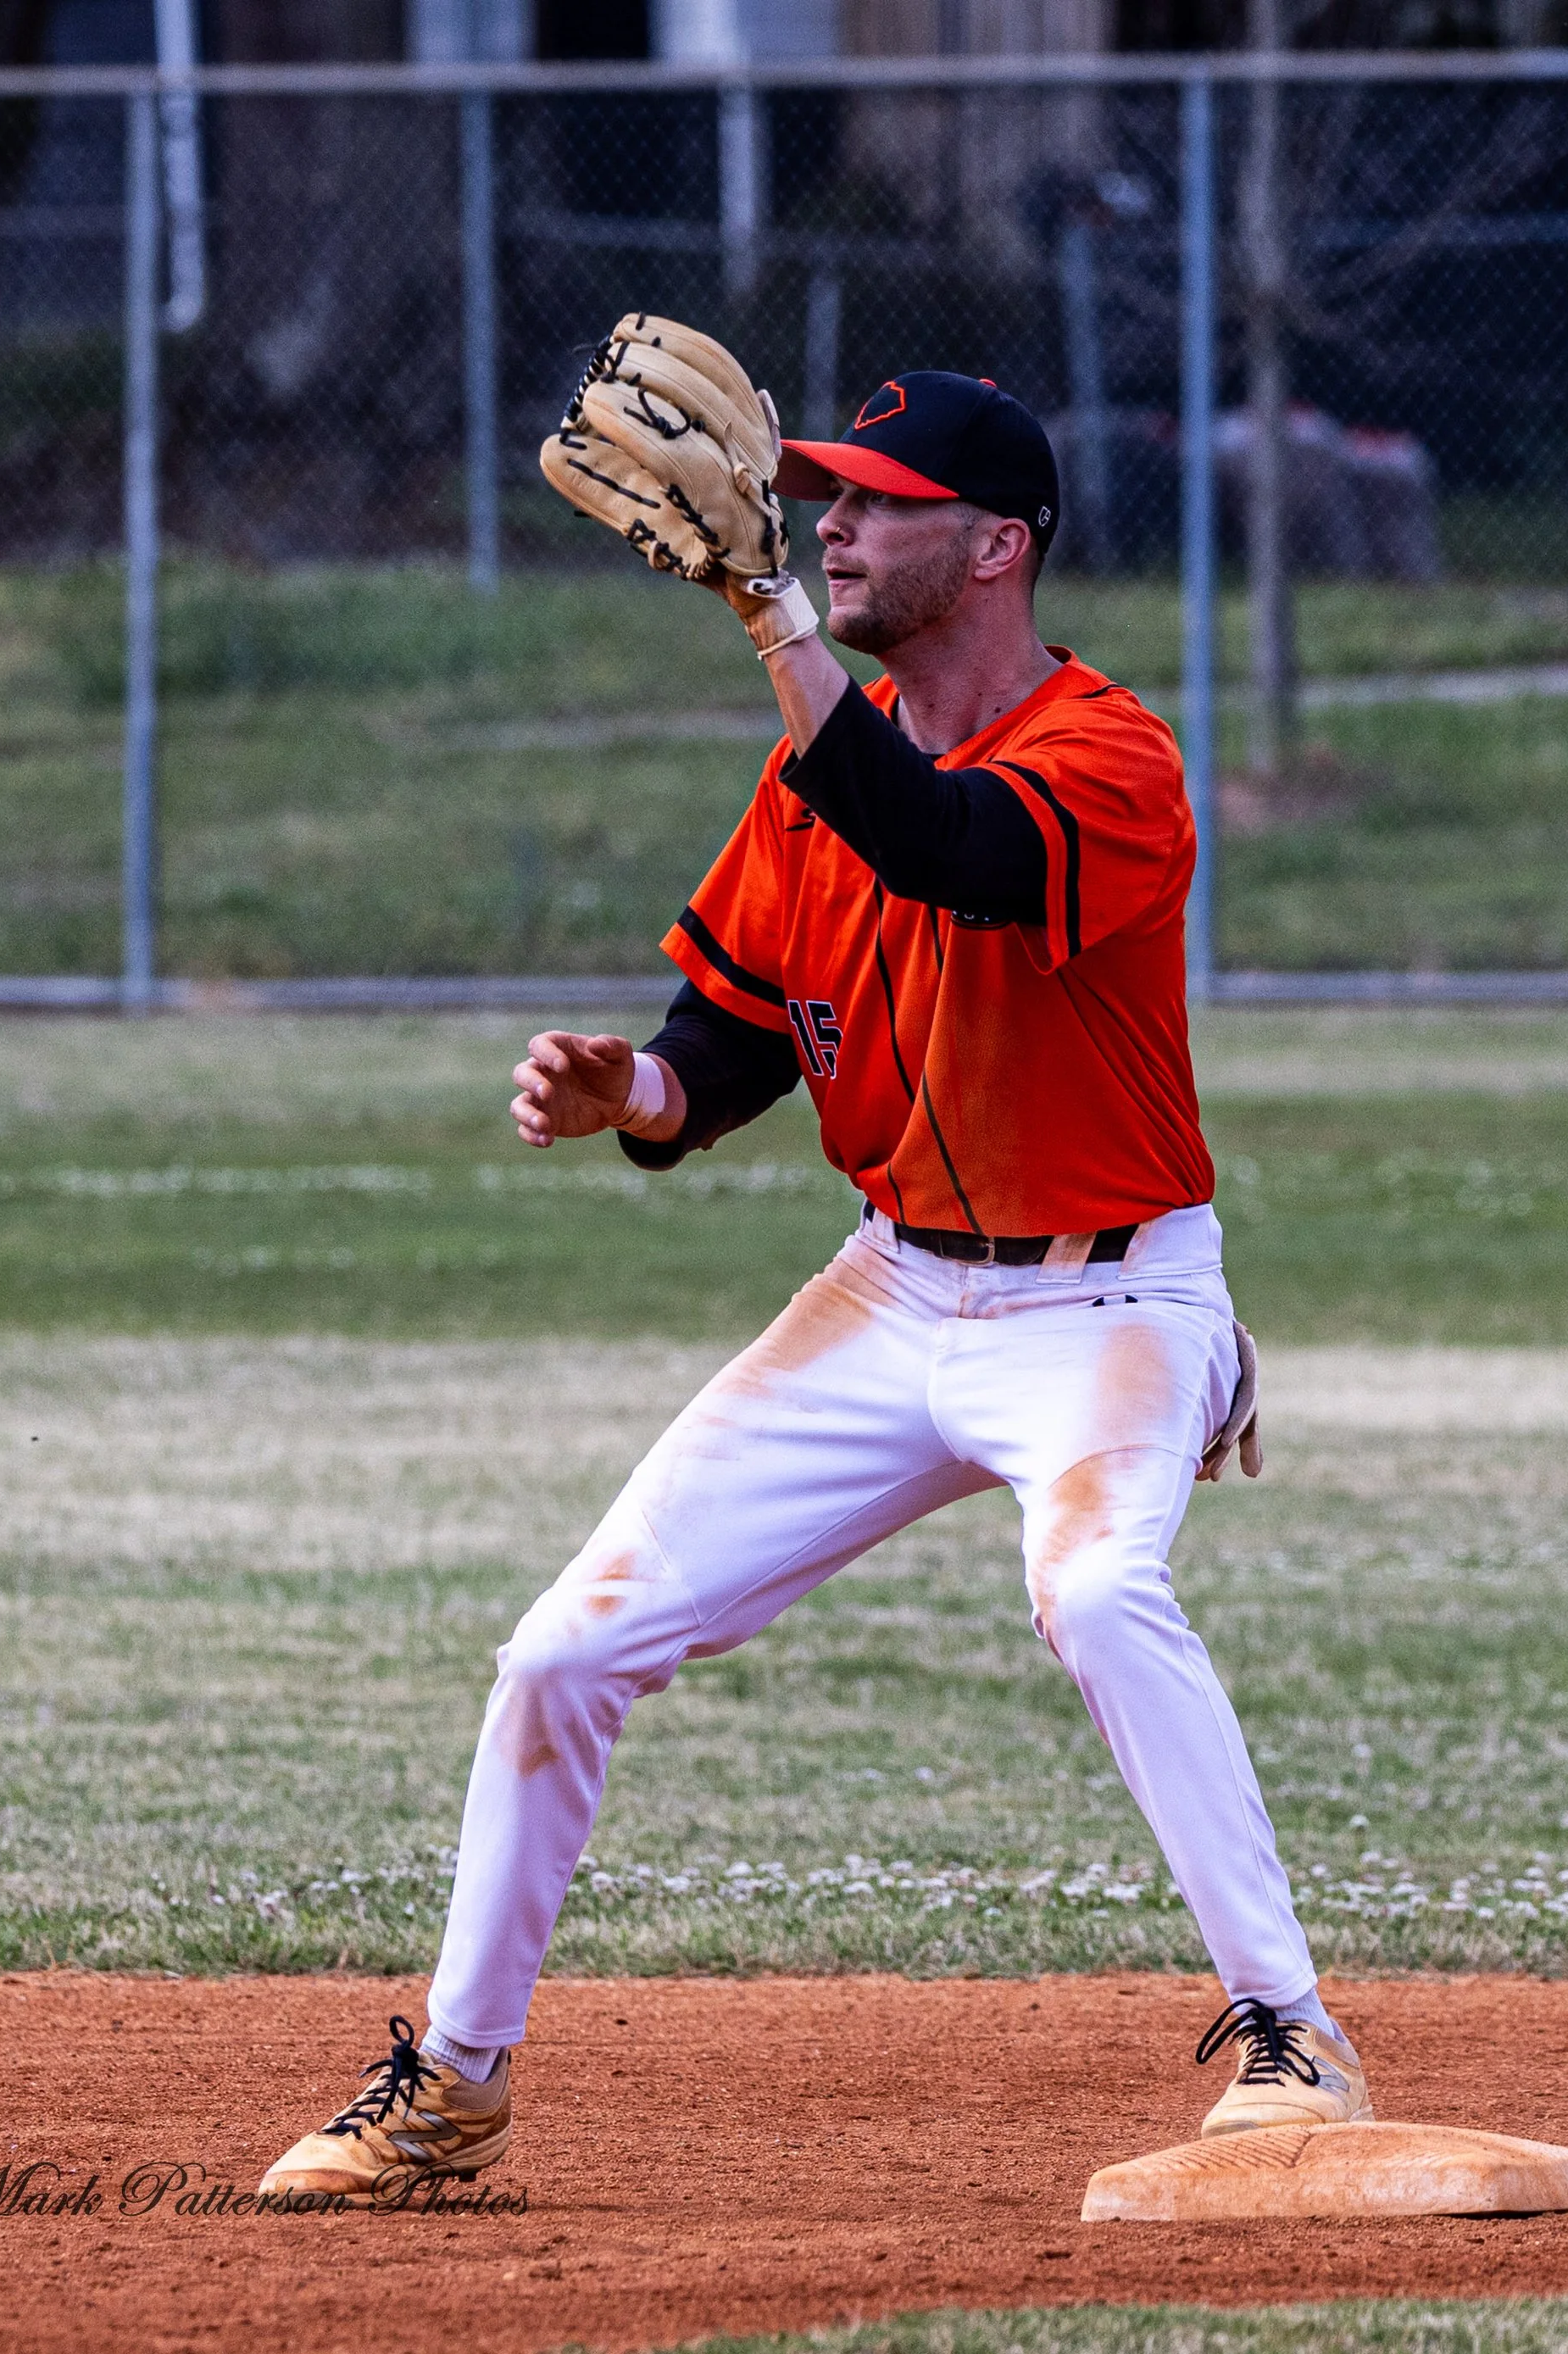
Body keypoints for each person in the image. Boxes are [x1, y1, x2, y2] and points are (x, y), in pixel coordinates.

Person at [259, 370, 1369, 2202]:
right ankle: (451, 2081)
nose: (828, 526)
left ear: (995, 545)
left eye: (874, 501)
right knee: (558, 1649)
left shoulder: (1112, 761)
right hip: (888, 1293)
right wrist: (634, 1089)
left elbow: (943, 845)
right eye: (823, 501)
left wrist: (767, 613)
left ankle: (1289, 2023)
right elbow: (732, 1044)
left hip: (1104, 1301)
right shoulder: (806, 780)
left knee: (1093, 1589)